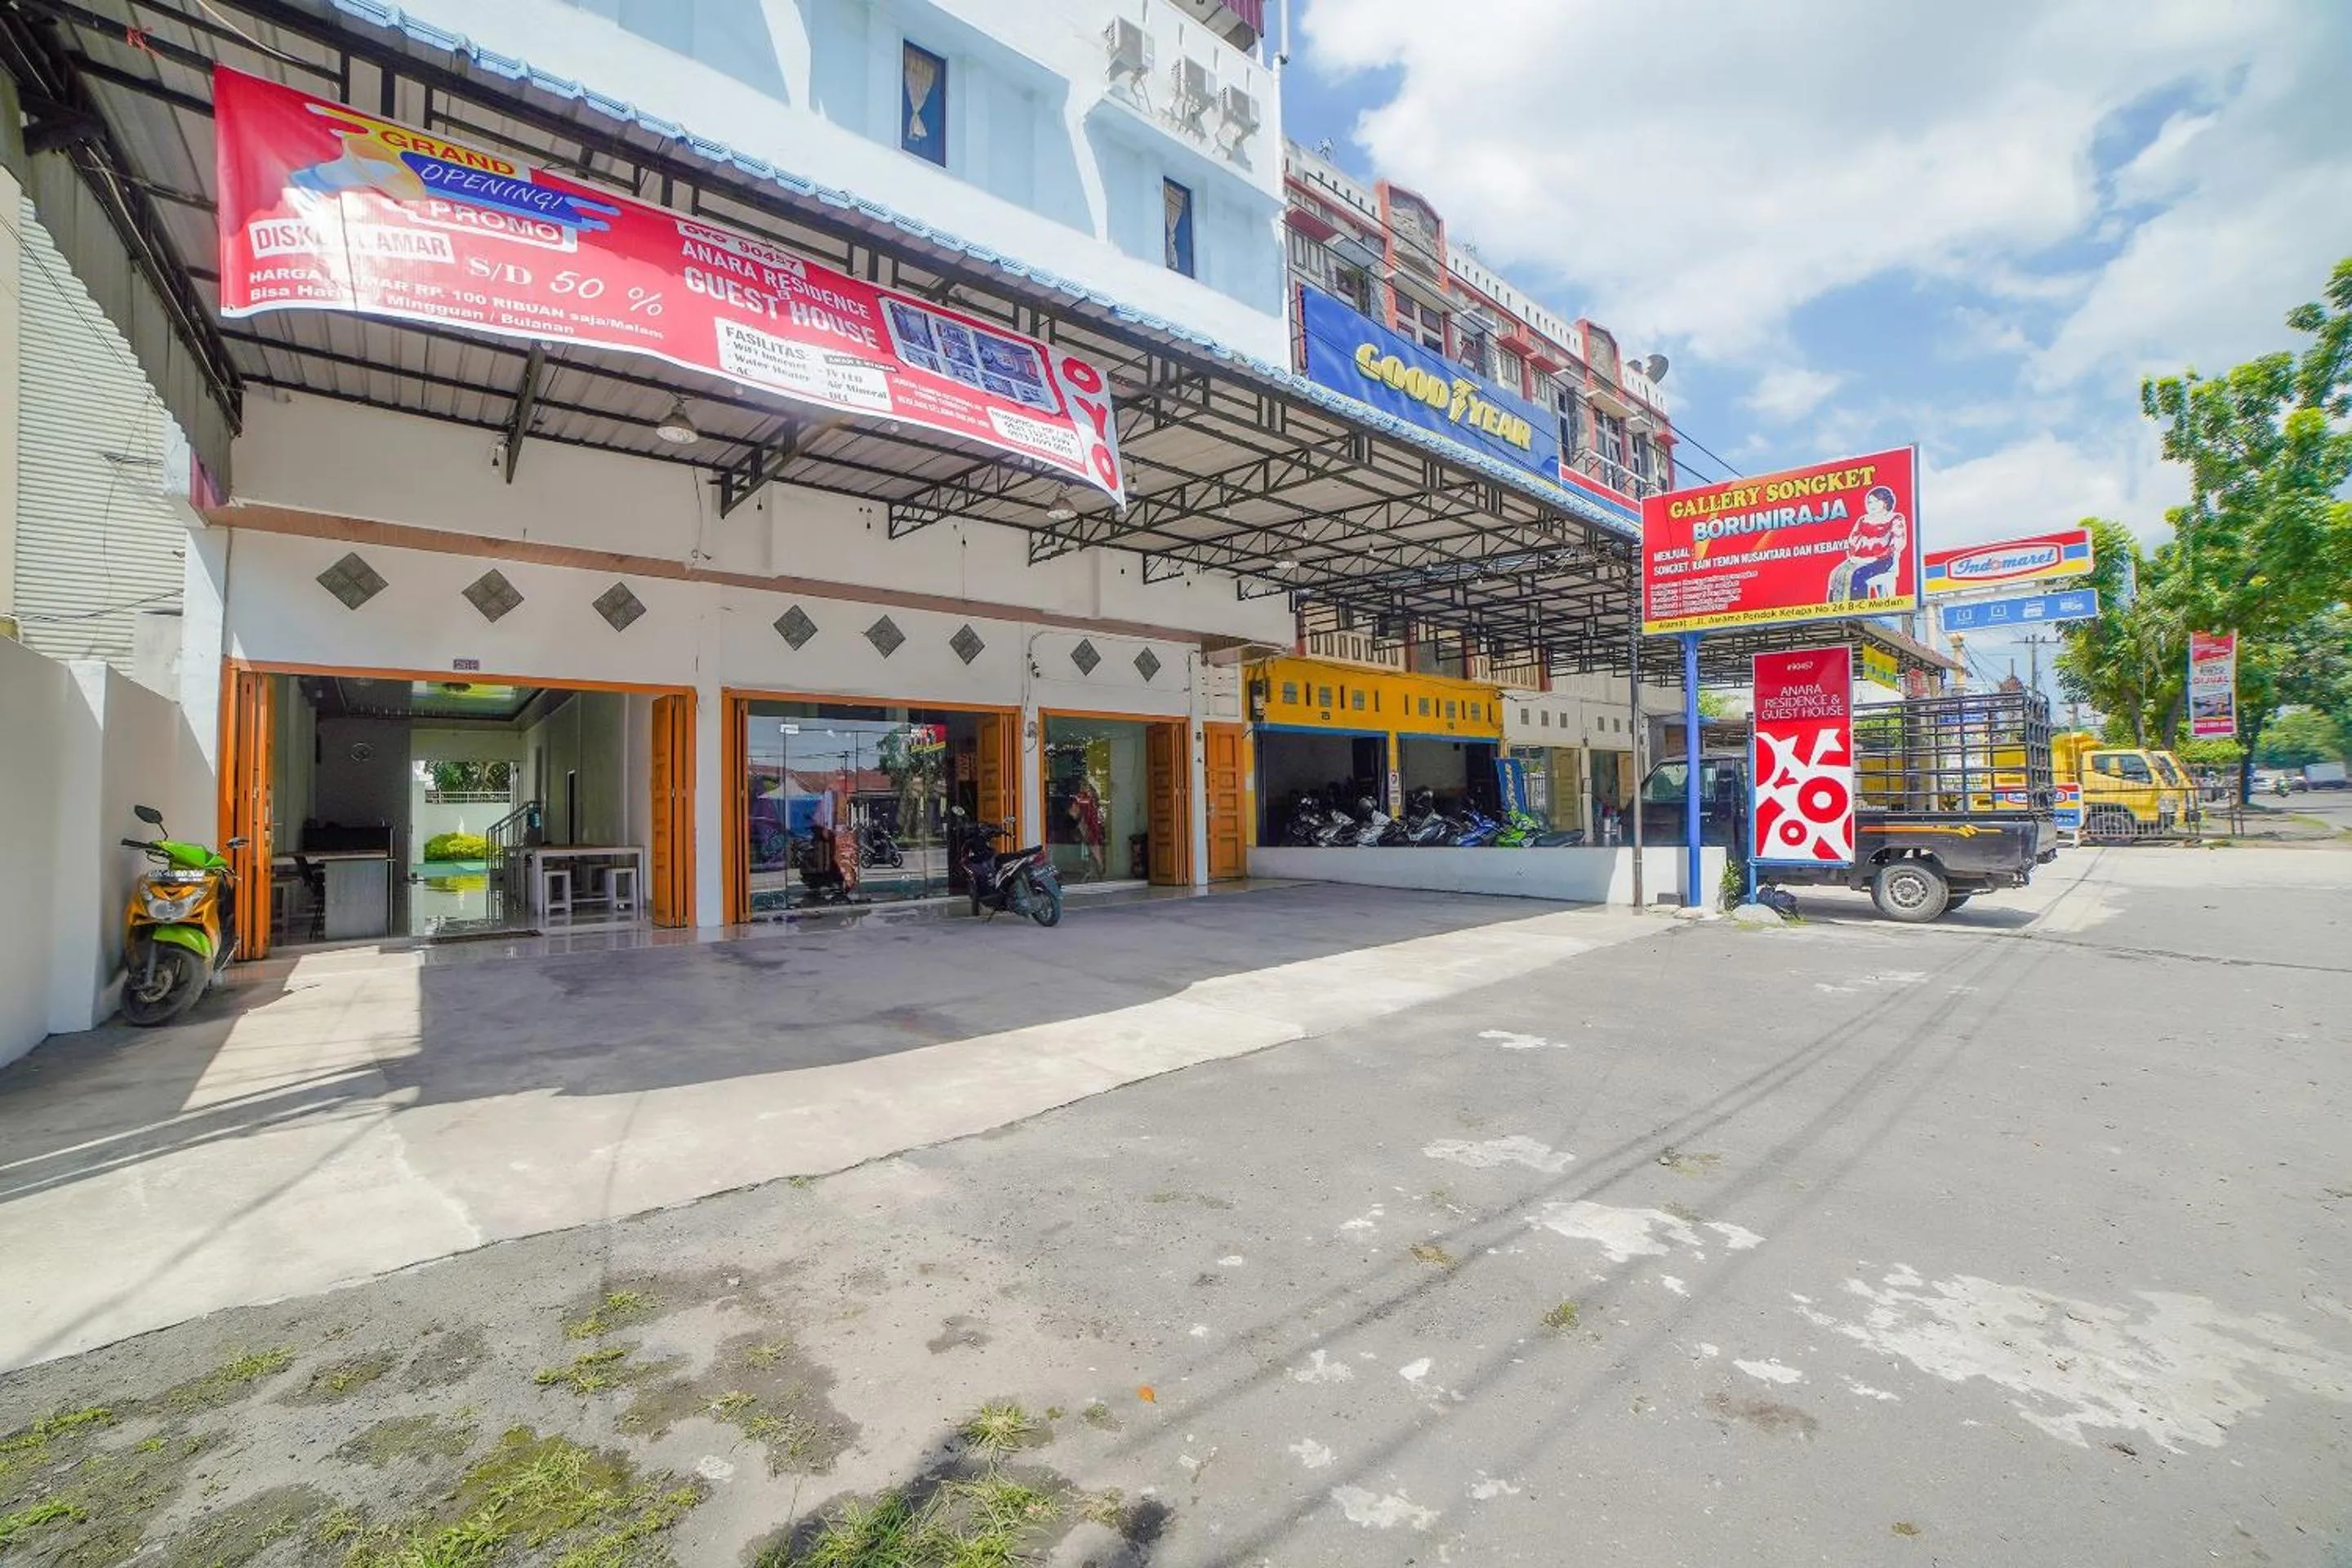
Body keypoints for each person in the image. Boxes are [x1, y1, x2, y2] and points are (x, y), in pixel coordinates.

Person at [1829, 484, 1907, 602]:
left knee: (1858, 575)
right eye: (1870, 502)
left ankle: (1858, 612)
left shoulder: (1895, 518)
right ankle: (1835, 613)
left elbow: (1898, 543)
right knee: (1836, 574)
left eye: (1876, 501)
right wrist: (1853, 557)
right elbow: (1853, 540)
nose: (1872, 505)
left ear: (1885, 502)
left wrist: (1875, 558)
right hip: (1859, 558)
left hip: (1882, 560)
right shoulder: (1863, 519)